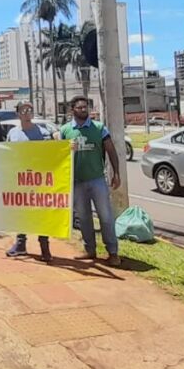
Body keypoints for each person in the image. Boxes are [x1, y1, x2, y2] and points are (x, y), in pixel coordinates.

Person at [59, 96, 121, 266]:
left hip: (97, 180)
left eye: (85, 107)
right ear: (72, 110)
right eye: (79, 108)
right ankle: (90, 249)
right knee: (84, 218)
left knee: (106, 216)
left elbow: (111, 151)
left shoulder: (99, 128)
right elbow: (59, 156)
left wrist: (116, 173)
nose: (83, 110)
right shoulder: (65, 131)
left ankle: (113, 252)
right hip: (76, 182)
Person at [5, 101, 53, 262]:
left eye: (30, 109)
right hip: (20, 180)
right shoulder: (12, 133)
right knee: (21, 211)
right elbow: (8, 154)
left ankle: (44, 246)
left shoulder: (44, 133)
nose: (27, 112)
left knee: (41, 212)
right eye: (23, 110)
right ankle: (20, 244)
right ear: (18, 113)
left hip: (39, 180)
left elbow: (53, 153)